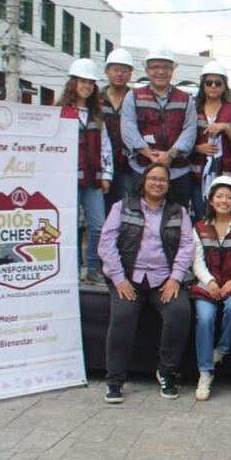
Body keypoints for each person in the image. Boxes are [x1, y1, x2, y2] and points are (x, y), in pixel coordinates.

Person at [98, 163, 194, 404]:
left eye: (163, 179)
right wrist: (119, 279)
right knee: (122, 316)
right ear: (144, 181)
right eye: (153, 178)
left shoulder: (178, 212)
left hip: (164, 280)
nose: (158, 183)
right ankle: (115, 380)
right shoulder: (121, 207)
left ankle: (168, 372)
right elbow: (106, 246)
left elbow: (186, 248)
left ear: (168, 185)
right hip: (128, 279)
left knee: (180, 312)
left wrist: (175, 278)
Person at [190, 176, 231, 402]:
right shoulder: (199, 227)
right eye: (219, 196)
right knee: (205, 318)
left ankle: (222, 351)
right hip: (208, 285)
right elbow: (197, 261)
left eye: (229, 196)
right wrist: (210, 281)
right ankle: (205, 373)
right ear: (211, 200)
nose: (224, 201)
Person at [120, 46, 197, 207]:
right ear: (147, 70)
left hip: (178, 172)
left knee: (177, 218)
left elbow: (189, 130)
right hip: (142, 170)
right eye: (155, 67)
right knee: (140, 220)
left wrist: (170, 155)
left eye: (166, 67)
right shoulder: (133, 97)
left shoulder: (185, 99)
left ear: (172, 70)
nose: (161, 72)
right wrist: (150, 155)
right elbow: (128, 129)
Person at [60, 58, 112, 285]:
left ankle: (92, 268)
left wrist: (107, 175)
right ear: (73, 83)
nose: (86, 86)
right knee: (69, 228)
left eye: (90, 83)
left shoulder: (97, 116)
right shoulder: (60, 111)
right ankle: (70, 270)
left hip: (93, 180)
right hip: (67, 180)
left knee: (99, 225)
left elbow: (105, 146)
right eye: (82, 81)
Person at [190, 60, 231, 220]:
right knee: (201, 216)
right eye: (209, 82)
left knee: (227, 216)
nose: (213, 86)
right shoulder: (192, 108)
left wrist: (226, 128)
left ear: (224, 86)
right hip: (198, 176)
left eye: (218, 83)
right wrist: (198, 148)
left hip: (227, 173)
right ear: (203, 85)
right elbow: (181, 139)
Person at [101, 48, 134, 206]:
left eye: (124, 70)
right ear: (107, 71)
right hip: (100, 166)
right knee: (100, 210)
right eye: (115, 69)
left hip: (127, 166)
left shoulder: (136, 100)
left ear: (130, 73)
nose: (119, 74)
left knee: (125, 208)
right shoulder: (95, 99)